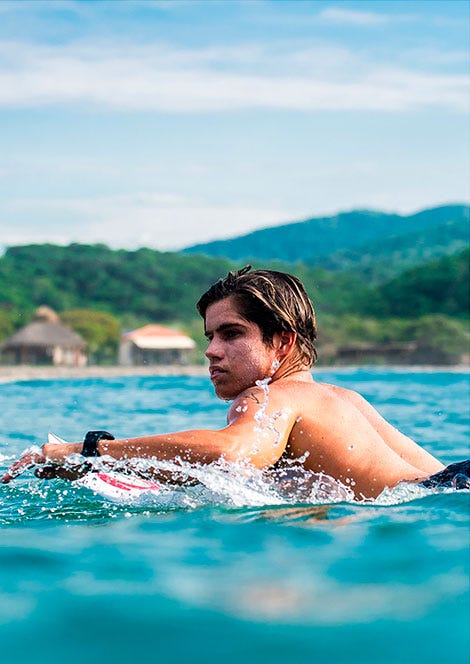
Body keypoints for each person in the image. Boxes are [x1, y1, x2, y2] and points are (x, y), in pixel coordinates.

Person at [1, 266, 465, 499]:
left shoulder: (270, 397)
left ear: (281, 342)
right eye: (210, 336)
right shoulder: (343, 400)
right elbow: (431, 487)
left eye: (231, 334)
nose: (211, 350)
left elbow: (232, 453)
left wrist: (89, 451)